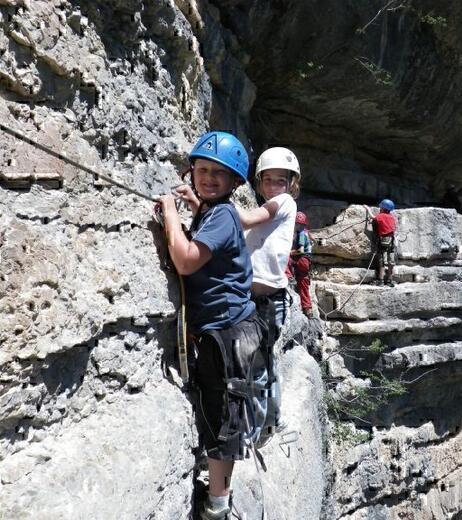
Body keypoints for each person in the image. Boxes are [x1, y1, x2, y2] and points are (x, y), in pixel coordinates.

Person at [158, 131, 266, 520]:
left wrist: (171, 213)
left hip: (226, 334)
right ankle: (218, 491)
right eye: (202, 170)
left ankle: (218, 504)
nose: (208, 178)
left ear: (236, 182)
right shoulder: (214, 210)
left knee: (224, 416)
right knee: (220, 408)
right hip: (227, 327)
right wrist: (195, 205)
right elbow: (209, 221)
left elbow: (186, 260)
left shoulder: (222, 215)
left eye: (219, 174)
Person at [237, 147, 300, 335]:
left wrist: (220, 201)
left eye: (280, 181)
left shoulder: (285, 201)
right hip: (250, 296)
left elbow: (246, 220)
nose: (273, 187)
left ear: (291, 184)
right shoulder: (267, 212)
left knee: (257, 360)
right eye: (268, 180)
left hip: (267, 300)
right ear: (260, 183)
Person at [288, 211, 313, 317]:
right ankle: (307, 308)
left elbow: (301, 250)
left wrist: (290, 252)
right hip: (307, 261)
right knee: (303, 284)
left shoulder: (301, 233)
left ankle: (288, 277)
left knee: (287, 258)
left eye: (297, 224)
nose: (296, 226)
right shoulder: (306, 232)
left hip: (302, 259)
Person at [370, 199, 397, 287]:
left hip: (383, 240)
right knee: (391, 261)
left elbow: (373, 218)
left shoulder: (380, 216)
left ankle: (381, 281)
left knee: (382, 260)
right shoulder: (392, 217)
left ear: (382, 208)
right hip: (392, 241)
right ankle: (389, 280)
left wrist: (367, 209)